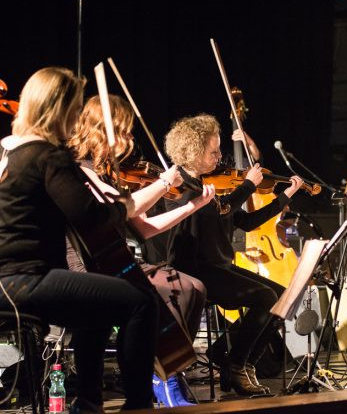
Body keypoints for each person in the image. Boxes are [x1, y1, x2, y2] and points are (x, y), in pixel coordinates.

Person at [0, 67, 211, 413]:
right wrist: (125, 204)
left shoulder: (12, 151)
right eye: (74, 107)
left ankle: (88, 402)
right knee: (141, 302)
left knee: (95, 307)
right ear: (59, 109)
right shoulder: (47, 155)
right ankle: (139, 404)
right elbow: (92, 216)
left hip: (10, 280)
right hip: (26, 281)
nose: (76, 116)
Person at [68, 94, 213, 407]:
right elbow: (118, 208)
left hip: (117, 262)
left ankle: (164, 368)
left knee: (193, 288)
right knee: (152, 295)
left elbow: (145, 227)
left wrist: (192, 205)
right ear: (100, 130)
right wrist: (163, 183)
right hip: (86, 265)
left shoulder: (114, 172)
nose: (130, 140)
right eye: (124, 132)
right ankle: (159, 377)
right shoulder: (80, 169)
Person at [163, 113, 304, 396]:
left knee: (281, 295)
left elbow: (247, 221)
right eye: (212, 152)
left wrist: (284, 197)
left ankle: (238, 362)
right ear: (192, 152)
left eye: (218, 151)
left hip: (219, 266)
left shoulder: (212, 186)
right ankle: (238, 365)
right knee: (265, 297)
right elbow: (221, 208)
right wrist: (248, 185)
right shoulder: (185, 188)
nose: (219, 157)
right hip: (195, 270)